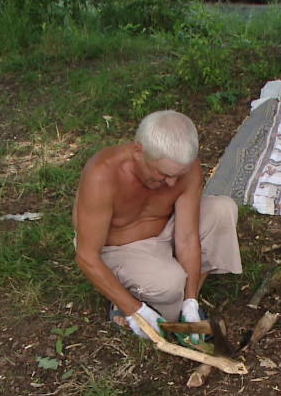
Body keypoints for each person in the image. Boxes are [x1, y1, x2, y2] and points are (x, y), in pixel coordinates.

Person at [72, 110, 242, 340]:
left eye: (177, 175)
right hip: (120, 248)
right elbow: (86, 255)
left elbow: (187, 237)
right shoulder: (102, 174)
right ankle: (124, 302)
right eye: (163, 173)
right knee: (171, 284)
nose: (171, 182)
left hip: (164, 232)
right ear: (138, 152)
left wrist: (191, 302)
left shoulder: (185, 169)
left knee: (223, 210)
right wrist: (135, 310)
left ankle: (182, 305)